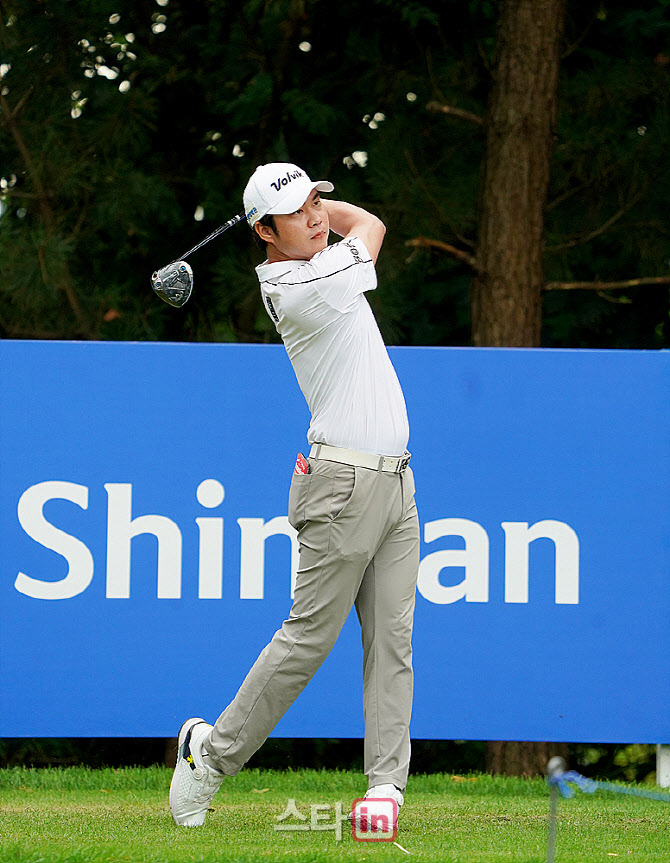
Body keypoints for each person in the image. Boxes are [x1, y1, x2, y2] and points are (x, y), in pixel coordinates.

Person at [169, 162, 420, 828]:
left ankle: (383, 791)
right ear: (263, 233)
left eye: (317, 202)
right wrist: (331, 215)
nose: (314, 217)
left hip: (397, 480)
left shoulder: (316, 261)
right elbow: (371, 224)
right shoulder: (303, 283)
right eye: (297, 212)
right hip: (342, 487)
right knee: (308, 639)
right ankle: (211, 756)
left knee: (392, 640)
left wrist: (302, 205)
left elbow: (344, 228)